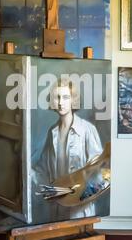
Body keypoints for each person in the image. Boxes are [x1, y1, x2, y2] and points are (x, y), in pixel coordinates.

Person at [33, 78, 104, 220]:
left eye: (65, 97)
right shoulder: (52, 132)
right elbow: (42, 171)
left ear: (73, 100)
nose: (60, 102)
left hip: (80, 209)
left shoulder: (87, 130)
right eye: (57, 97)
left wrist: (77, 194)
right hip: (57, 208)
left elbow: (98, 172)